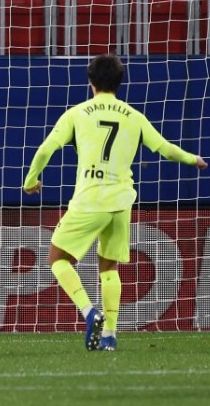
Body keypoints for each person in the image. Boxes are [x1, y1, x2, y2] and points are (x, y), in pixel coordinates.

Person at [23, 54, 206, 351]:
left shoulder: (77, 113)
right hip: (121, 201)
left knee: (57, 259)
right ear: (120, 82)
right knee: (109, 269)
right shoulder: (134, 116)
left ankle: (88, 311)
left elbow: (46, 149)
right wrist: (193, 159)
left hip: (90, 198)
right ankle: (109, 334)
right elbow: (164, 148)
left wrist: (31, 179)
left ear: (90, 81)